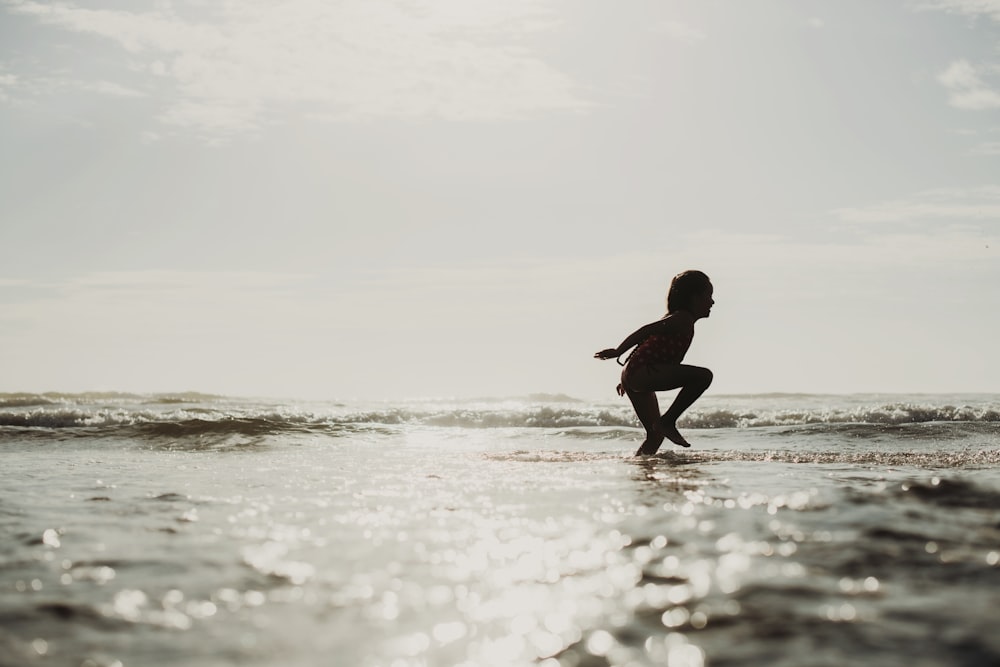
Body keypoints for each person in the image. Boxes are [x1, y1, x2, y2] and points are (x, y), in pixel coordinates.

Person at [594, 270, 714, 455]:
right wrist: (619, 351)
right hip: (642, 371)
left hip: (635, 372)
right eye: (709, 296)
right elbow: (645, 331)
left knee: (655, 435)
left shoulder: (677, 319)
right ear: (694, 298)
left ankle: (641, 467)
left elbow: (647, 344)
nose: (712, 302)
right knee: (704, 376)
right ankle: (668, 421)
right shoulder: (682, 319)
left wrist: (628, 377)